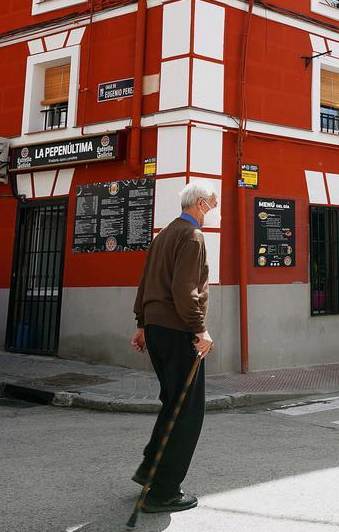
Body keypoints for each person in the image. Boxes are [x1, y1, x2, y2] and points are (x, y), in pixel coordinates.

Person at [129, 182, 218, 514]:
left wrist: (142, 324)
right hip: (179, 330)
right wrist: (201, 329)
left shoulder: (164, 234)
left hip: (156, 329)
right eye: (211, 204)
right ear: (198, 204)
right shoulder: (192, 236)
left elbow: (145, 281)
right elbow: (185, 289)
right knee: (187, 411)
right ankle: (164, 491)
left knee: (171, 402)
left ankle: (149, 470)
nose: (212, 210)